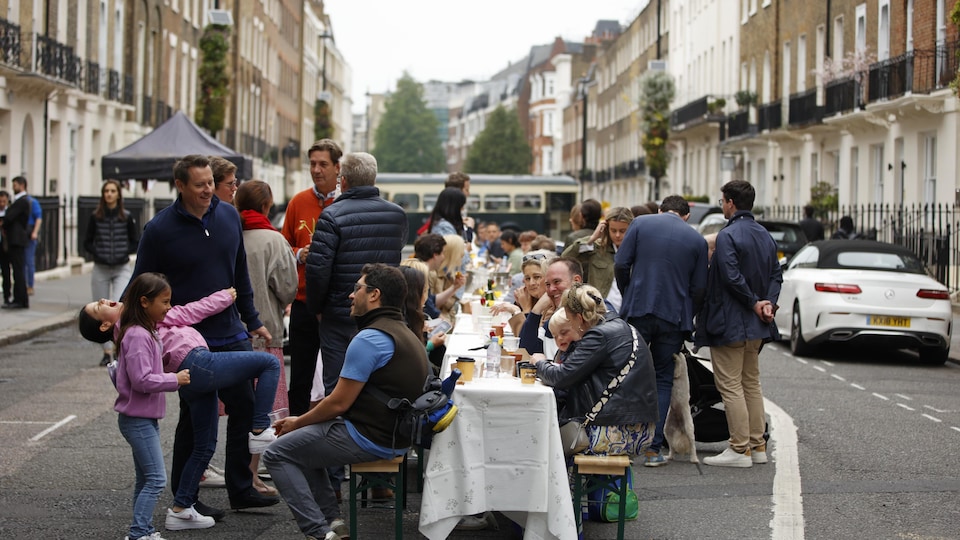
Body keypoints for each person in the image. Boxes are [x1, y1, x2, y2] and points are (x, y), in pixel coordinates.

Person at [131, 154, 277, 517]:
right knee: (196, 418)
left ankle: (242, 489)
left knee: (244, 404)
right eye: (200, 185)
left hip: (230, 331)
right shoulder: (159, 230)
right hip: (187, 340)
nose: (208, 190)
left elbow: (238, 273)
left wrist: (252, 318)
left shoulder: (228, 215)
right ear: (180, 186)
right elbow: (139, 288)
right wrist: (133, 334)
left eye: (211, 182)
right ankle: (187, 496)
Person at [79, 276, 281, 530]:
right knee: (269, 363)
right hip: (194, 363)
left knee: (204, 444)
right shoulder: (138, 326)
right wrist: (173, 379)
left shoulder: (138, 325)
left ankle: (182, 507)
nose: (104, 299)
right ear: (105, 324)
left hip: (189, 370)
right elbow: (185, 317)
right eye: (99, 307)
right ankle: (260, 428)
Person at [263, 264, 429, 540]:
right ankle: (333, 521)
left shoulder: (370, 338)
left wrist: (297, 421)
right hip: (394, 435)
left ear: (374, 295)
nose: (351, 296)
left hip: (371, 436)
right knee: (302, 443)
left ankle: (318, 533)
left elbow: (338, 403)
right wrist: (302, 426)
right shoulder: (402, 330)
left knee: (276, 453)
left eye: (357, 289)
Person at [614, 195, 708, 467]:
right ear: (687, 215)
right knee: (663, 377)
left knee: (631, 373)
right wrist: (687, 315)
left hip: (639, 307)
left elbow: (621, 264)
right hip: (674, 315)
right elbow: (700, 287)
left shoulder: (641, 223)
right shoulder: (697, 240)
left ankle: (626, 444)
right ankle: (654, 449)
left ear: (660, 210)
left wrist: (629, 293)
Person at [106, 273, 200, 538]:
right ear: (145, 302)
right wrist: (175, 379)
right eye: (165, 302)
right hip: (137, 419)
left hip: (141, 418)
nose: (169, 307)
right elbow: (141, 379)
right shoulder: (137, 335)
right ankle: (138, 533)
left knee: (146, 479)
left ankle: (143, 530)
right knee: (156, 479)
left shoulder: (143, 331)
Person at [695, 180, 782, 468]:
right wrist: (766, 302)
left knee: (730, 386)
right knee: (751, 384)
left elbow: (730, 276)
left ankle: (739, 448)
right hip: (757, 324)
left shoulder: (728, 235)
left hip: (730, 321)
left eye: (723, 201)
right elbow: (776, 275)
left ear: (731, 202)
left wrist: (753, 302)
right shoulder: (764, 235)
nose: (722, 205)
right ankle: (758, 446)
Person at [531, 284, 658, 457]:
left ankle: (561, 484)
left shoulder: (599, 335)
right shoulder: (625, 328)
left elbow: (561, 377)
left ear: (579, 318)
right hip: (640, 429)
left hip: (611, 432)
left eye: (570, 320)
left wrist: (540, 363)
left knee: (539, 439)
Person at [235, 180, 298, 496]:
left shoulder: (230, 236)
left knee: (237, 410)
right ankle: (251, 473)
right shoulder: (274, 240)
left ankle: (234, 471)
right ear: (266, 206)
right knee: (262, 412)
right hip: (266, 332)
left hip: (230, 333)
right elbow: (287, 288)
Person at [281, 139, 342, 417]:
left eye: (323, 164)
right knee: (301, 377)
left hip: (336, 304)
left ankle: (329, 442)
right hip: (304, 301)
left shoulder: (345, 203)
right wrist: (298, 254)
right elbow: (283, 246)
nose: (316, 170)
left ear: (338, 167)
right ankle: (295, 439)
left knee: (337, 377)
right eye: (313, 164)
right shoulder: (298, 202)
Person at [83, 180, 140, 366]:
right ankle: (107, 351)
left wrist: (123, 253)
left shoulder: (127, 216)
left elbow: (135, 240)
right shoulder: (95, 216)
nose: (109, 194)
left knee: (118, 305)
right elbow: (87, 242)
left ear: (118, 194)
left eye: (112, 191)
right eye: (106, 191)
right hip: (100, 267)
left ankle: (119, 348)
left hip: (121, 266)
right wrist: (99, 253)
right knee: (101, 311)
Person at [562, 206, 633, 302]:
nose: (617, 235)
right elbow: (565, 259)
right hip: (600, 308)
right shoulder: (597, 248)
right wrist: (592, 238)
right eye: (613, 230)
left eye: (622, 231)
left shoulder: (637, 251)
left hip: (627, 307)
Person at [518, 257, 583, 358]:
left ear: (576, 281)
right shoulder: (552, 322)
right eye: (548, 284)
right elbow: (527, 351)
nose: (551, 289)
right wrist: (536, 310)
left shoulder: (592, 314)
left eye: (557, 282)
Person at [491, 251, 553, 336]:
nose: (531, 283)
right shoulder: (529, 299)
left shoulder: (551, 306)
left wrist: (523, 310)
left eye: (537, 277)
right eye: (527, 278)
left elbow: (527, 343)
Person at [1, 177, 30, 309]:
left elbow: (9, 217)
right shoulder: (19, 201)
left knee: (18, 271)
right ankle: (19, 299)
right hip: (15, 240)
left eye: (15, 185)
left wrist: (5, 221)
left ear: (22, 185)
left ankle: (20, 300)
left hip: (17, 240)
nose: (13, 187)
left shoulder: (22, 201)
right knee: (17, 271)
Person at [24, 177, 42, 296]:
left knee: (29, 261)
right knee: (22, 262)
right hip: (21, 234)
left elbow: (38, 218)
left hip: (30, 234)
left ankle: (30, 285)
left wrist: (35, 232)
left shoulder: (32, 202)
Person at [0, 190, 12, 305]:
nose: (2, 204)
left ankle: (7, 295)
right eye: (0, 201)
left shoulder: (9, 213)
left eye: (4, 201)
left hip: (4, 246)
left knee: (6, 271)